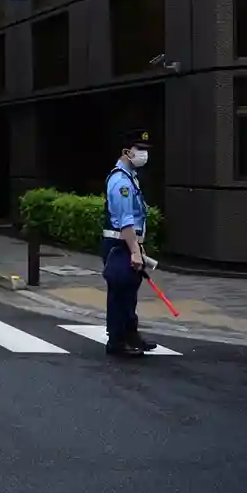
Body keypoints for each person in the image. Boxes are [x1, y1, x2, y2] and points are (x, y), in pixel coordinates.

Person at [101, 129, 158, 357]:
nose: (144, 154)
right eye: (139, 149)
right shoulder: (120, 182)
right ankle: (117, 340)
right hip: (119, 246)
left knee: (129, 291)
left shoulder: (130, 177)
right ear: (127, 152)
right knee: (120, 292)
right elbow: (125, 221)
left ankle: (130, 335)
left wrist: (138, 247)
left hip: (126, 244)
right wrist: (134, 251)